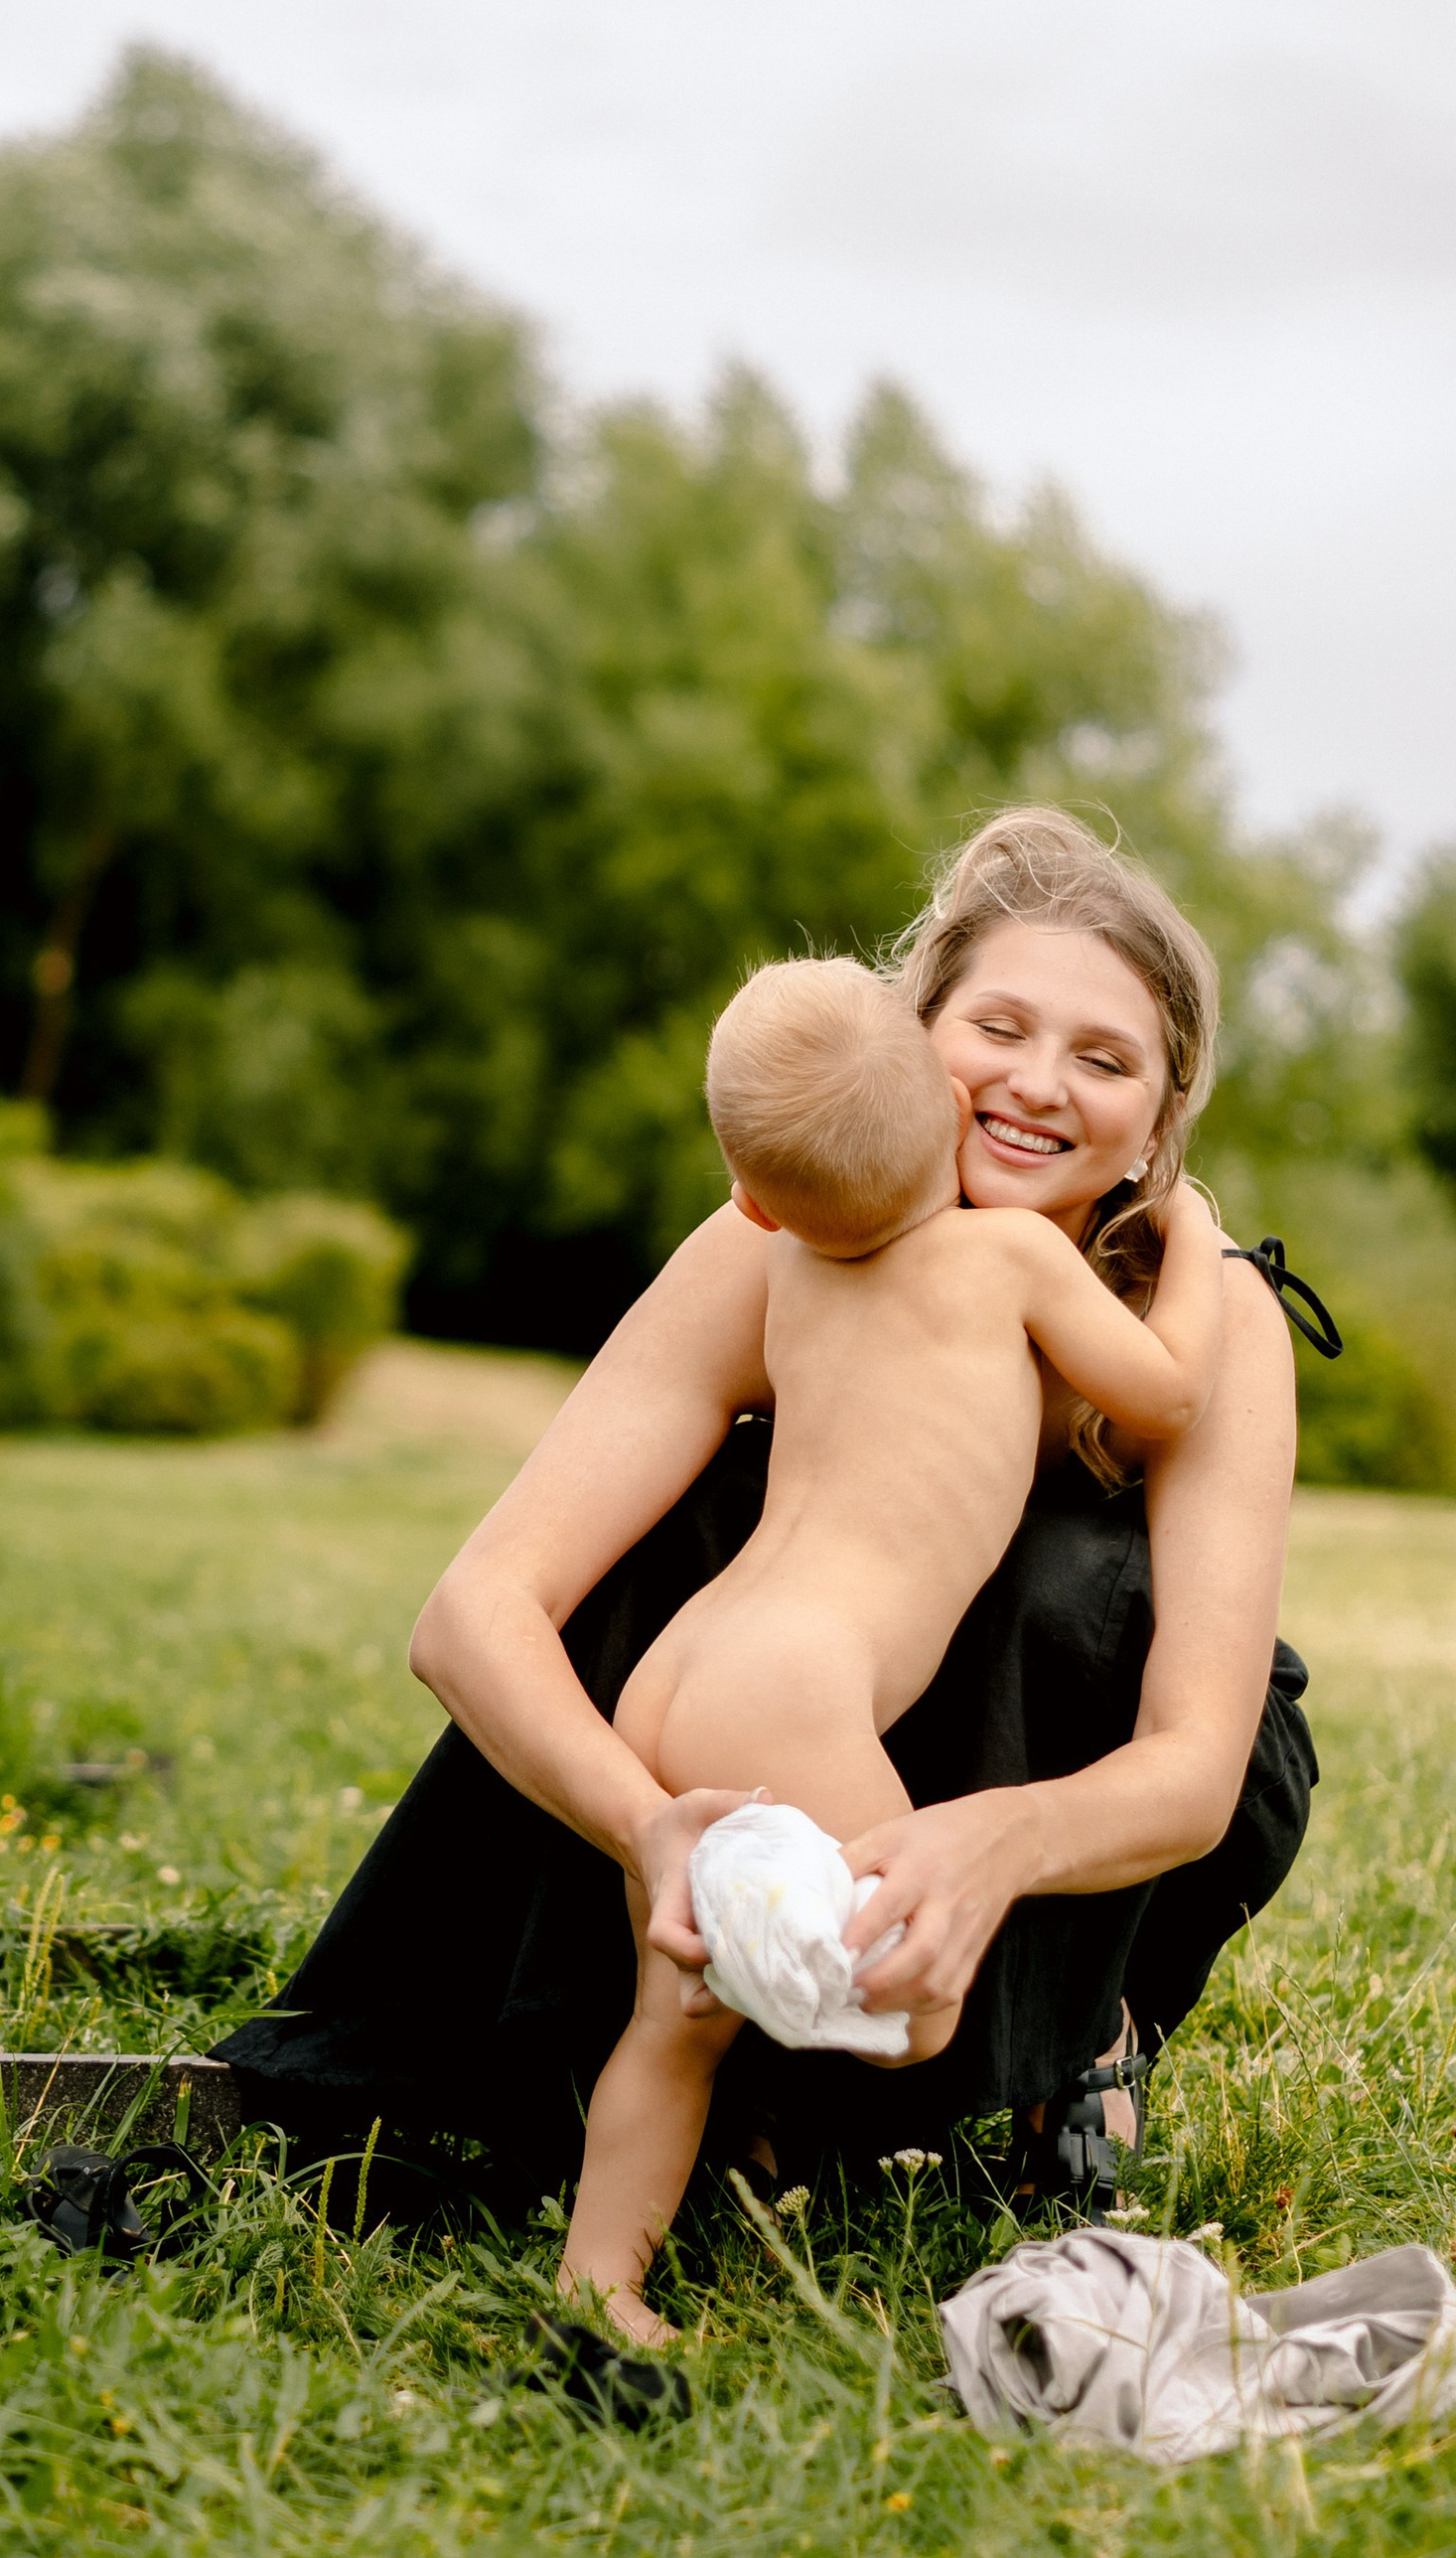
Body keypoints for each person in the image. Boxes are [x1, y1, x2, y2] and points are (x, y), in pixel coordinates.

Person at [214, 805, 1323, 2258]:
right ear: (912, 1034)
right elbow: (479, 1610)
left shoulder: (1207, 1305)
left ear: (1164, 1113)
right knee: (692, 1538)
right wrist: (645, 1826)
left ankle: (1072, 2034)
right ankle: (718, 2076)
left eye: (1104, 1058)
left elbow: (1194, 1765)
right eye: (998, 1027)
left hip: (1073, 1758)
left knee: (1062, 1580)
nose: (1039, 1087)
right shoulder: (781, 1245)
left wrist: (991, 1841)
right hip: (779, 1724)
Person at [564, 954, 1227, 2341]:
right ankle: (831, 2071)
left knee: (669, 2022)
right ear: (945, 1106)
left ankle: (600, 2281)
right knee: (912, 2007)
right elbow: (1166, 1396)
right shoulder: (1013, 1256)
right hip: (798, 1690)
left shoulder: (788, 1269)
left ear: (752, 1197)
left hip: (686, 1668)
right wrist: (1204, 1242)